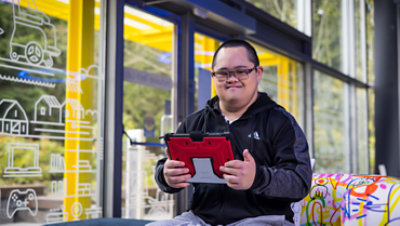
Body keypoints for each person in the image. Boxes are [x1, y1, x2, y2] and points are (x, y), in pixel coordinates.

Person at [148, 39, 312, 226]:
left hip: (263, 220)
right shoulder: (194, 122)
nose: (232, 78)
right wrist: (165, 175)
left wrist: (257, 177)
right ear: (213, 76)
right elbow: (167, 165)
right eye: (223, 73)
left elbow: (300, 182)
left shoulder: (280, 122)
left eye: (241, 71)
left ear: (258, 73)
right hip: (200, 219)